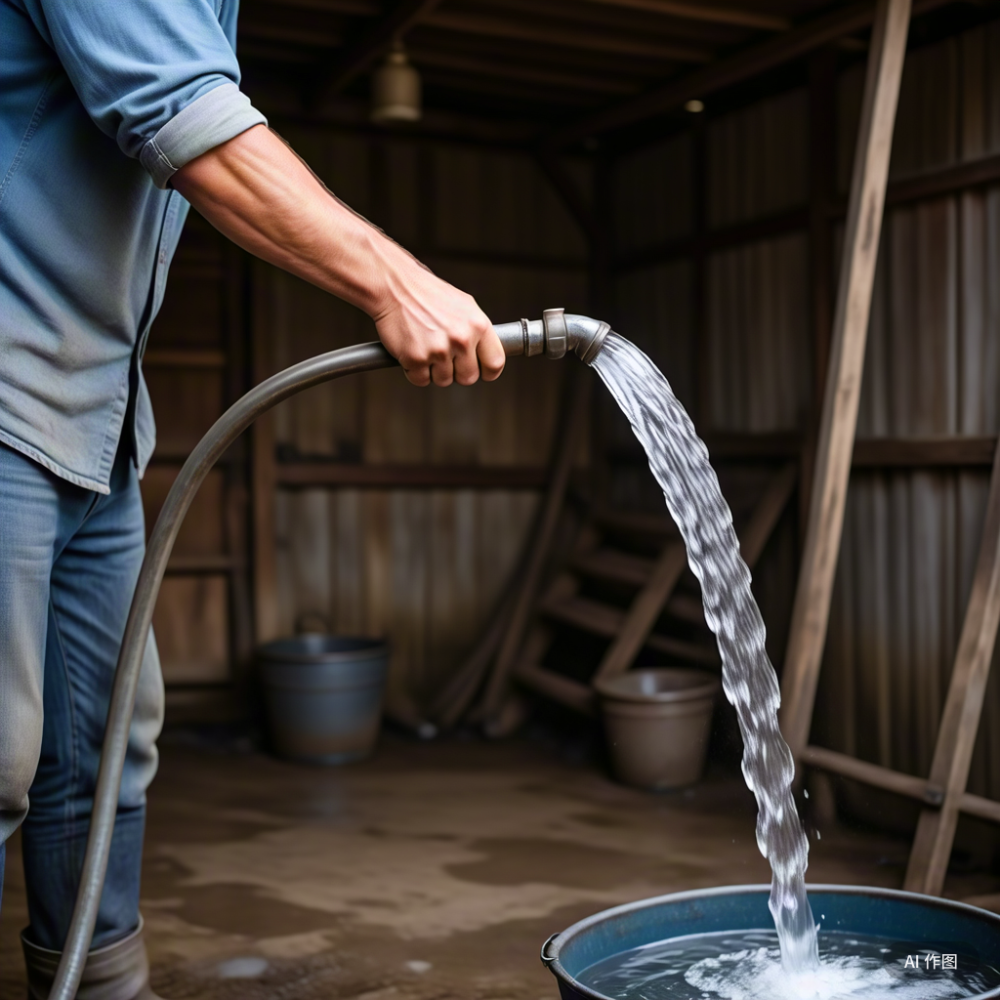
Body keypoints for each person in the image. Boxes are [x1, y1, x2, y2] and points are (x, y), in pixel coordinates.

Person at [0, 2, 505, 997]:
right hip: (7, 395)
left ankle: (101, 985)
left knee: (105, 751)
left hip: (94, 420)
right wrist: (395, 283)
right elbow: (181, 113)